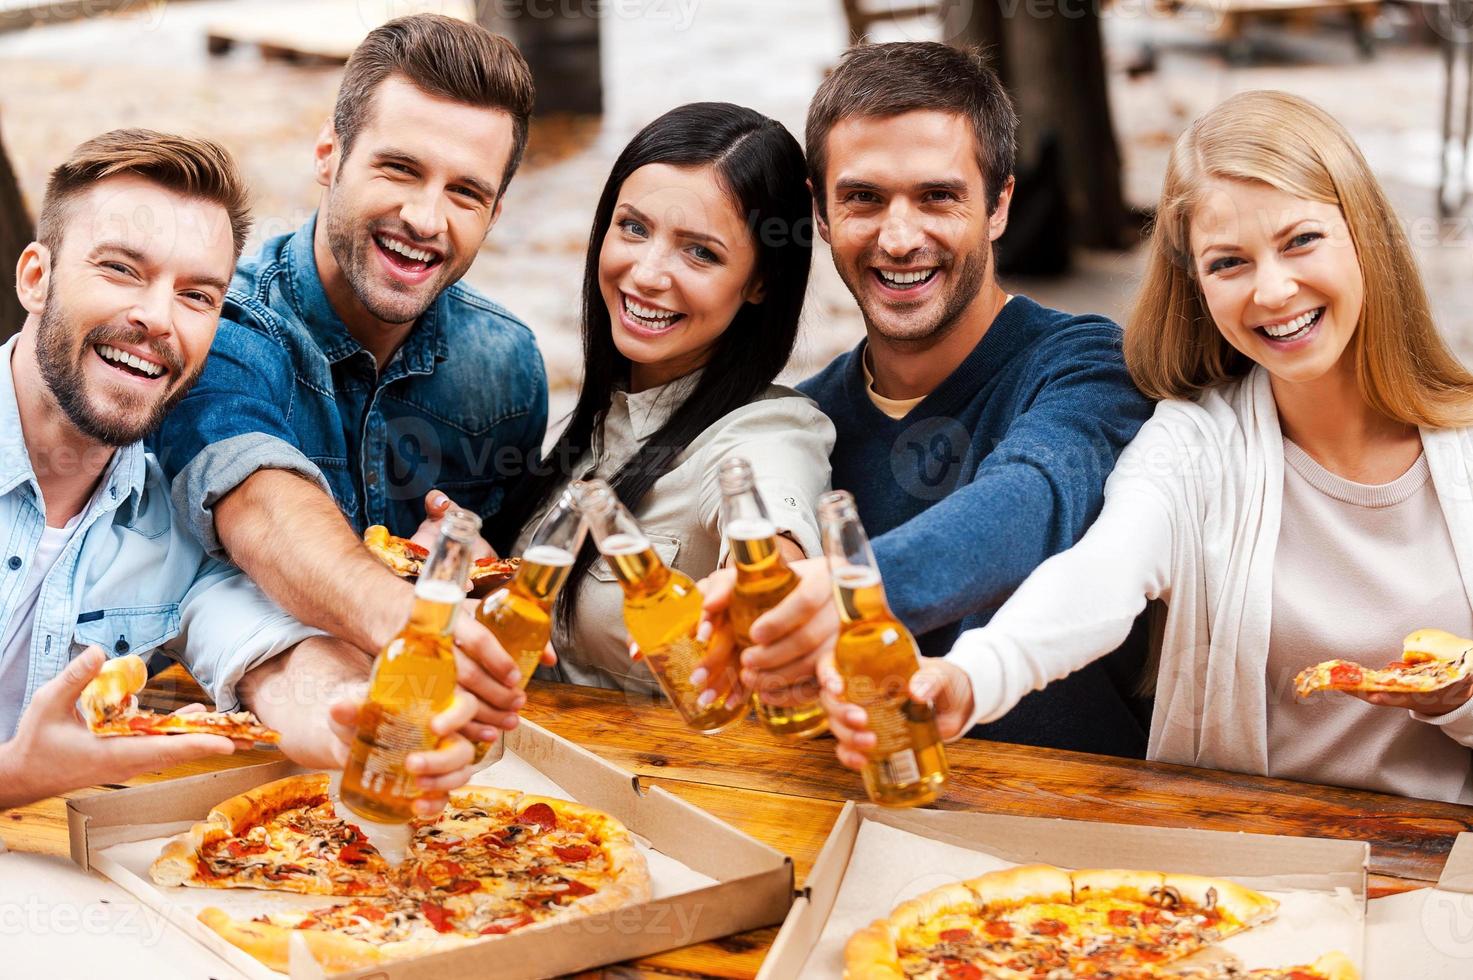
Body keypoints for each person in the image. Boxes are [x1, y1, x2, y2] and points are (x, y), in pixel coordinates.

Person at [826, 90, 1473, 804]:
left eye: (1300, 241)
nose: (1274, 289)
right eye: (1228, 263)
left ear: (1364, 233)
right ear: (1195, 285)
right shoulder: (1192, 445)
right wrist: (970, 678)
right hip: (1250, 864)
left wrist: (1460, 702)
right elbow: (1099, 577)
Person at [0, 130, 477, 811]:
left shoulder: (172, 518)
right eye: (122, 270)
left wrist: (355, 716)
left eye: (197, 296)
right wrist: (12, 778)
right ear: (36, 278)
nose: (157, 319)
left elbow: (273, 657)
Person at [699, 42, 1155, 753]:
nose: (899, 237)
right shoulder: (800, 427)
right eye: (864, 199)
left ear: (999, 205)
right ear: (820, 215)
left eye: (937, 197)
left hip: (1080, 827)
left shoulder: (1085, 366)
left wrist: (854, 590)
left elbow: (1033, 497)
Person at [151, 15, 546, 744]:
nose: (425, 219)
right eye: (399, 168)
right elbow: (260, 509)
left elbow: (497, 575)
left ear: (494, 213)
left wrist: (477, 579)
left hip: (423, 748)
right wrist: (412, 618)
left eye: (465, 192)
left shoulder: (509, 366)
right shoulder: (219, 324)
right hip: (218, 742)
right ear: (329, 156)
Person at [464, 102, 833, 696]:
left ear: (761, 281)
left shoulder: (766, 431)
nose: (647, 273)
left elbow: (769, 522)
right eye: (634, 227)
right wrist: (478, 580)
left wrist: (764, 586)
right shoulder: (594, 430)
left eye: (701, 252)